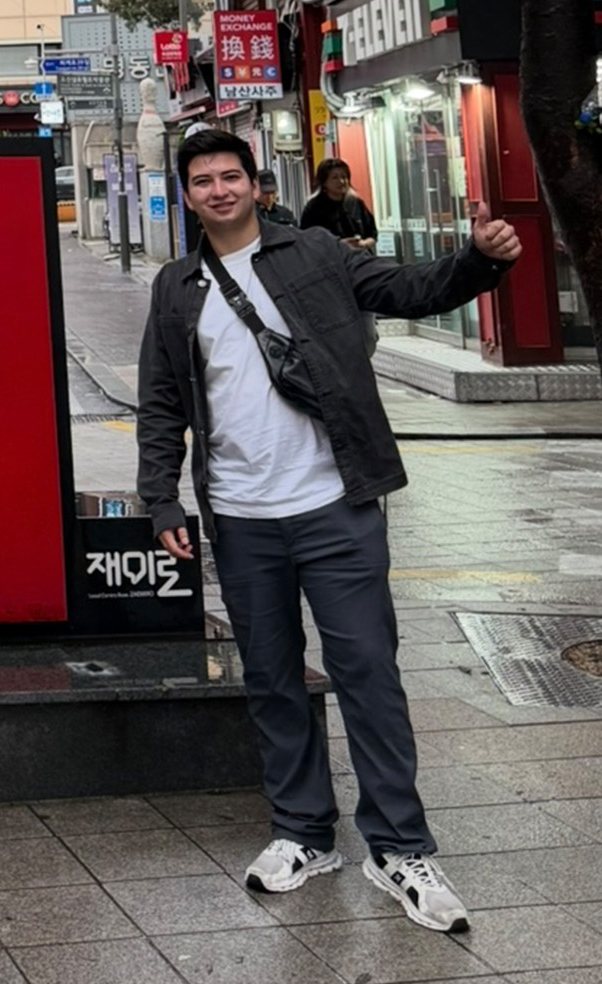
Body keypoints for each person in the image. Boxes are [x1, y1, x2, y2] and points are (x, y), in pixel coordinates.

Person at [136, 128, 521, 933]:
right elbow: (165, 404)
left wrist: (480, 259)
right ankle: (305, 833)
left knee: (369, 673)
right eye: (202, 179)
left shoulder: (315, 253)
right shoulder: (177, 288)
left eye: (231, 175)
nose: (218, 189)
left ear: (256, 183)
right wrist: (162, 502)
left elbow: (411, 289)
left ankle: (399, 847)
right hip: (241, 517)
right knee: (274, 679)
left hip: (334, 505)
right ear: (188, 194)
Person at [300, 158, 378, 251]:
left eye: (344, 177)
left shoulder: (355, 203)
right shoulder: (314, 208)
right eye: (335, 177)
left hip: (359, 258)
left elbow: (372, 234)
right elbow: (306, 240)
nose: (341, 181)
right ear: (324, 182)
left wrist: (364, 244)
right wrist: (339, 245)